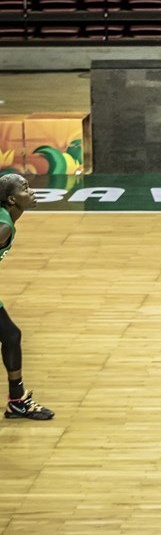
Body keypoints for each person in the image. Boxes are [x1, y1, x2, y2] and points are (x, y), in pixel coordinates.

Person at [0, 174, 54, 421]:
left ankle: (17, 401)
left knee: (11, 335)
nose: (32, 192)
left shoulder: (6, 219)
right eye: (25, 189)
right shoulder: (4, 228)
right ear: (12, 199)